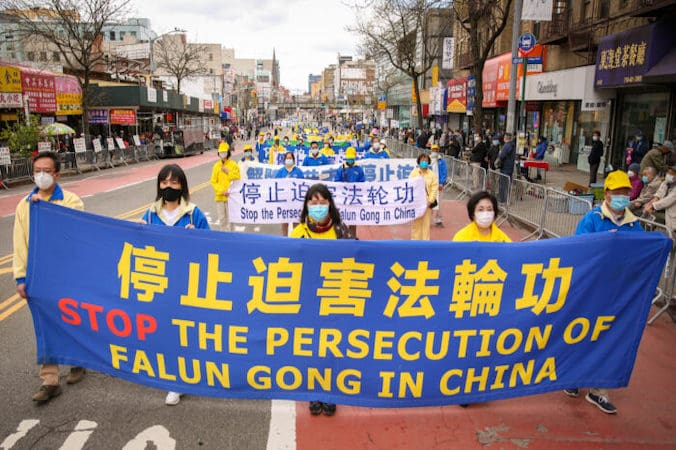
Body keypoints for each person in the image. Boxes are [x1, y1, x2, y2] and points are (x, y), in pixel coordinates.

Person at [567, 170, 643, 414]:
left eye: (625, 192)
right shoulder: (592, 219)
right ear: (607, 194)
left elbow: (641, 255)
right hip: (590, 290)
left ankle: (598, 390)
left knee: (608, 338)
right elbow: (579, 249)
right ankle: (573, 376)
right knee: (581, 332)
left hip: (617, 293)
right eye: (617, 192)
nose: (622, 196)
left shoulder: (634, 224)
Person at [13, 151, 86, 404]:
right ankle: (50, 379)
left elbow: (73, 233)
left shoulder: (71, 201)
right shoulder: (24, 206)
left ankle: (78, 361)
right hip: (39, 276)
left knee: (71, 318)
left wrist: (44, 211)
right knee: (45, 325)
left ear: (57, 174)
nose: (41, 175)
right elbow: (20, 244)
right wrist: (20, 278)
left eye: (46, 171)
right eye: (37, 171)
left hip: (67, 274)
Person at [139, 164, 210, 405]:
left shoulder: (193, 214)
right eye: (164, 182)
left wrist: (197, 236)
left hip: (186, 281)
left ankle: (179, 381)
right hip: (159, 282)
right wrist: (141, 233)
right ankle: (169, 373)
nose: (168, 186)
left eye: (174, 182)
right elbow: (138, 246)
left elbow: (212, 245)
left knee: (184, 330)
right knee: (164, 329)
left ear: (182, 186)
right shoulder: (150, 214)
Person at [290, 183, 354, 417]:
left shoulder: (340, 230)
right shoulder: (298, 233)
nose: (318, 206)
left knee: (331, 347)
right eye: (313, 202)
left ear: (330, 204)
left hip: (334, 298)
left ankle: (329, 392)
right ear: (307, 206)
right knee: (311, 348)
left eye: (322, 202)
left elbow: (356, 259)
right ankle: (314, 392)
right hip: (307, 301)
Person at [334, 146, 365, 237]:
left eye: (351, 158)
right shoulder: (341, 169)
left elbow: (362, 182)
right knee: (342, 219)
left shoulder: (359, 169)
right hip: (343, 198)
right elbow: (336, 181)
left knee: (353, 219)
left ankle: (353, 237)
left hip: (354, 198)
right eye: (349, 158)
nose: (350, 160)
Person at [210, 142, 241, 231]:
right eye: (221, 152)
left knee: (231, 219)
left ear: (228, 152)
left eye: (224, 152)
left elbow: (238, 177)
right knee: (222, 219)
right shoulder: (216, 166)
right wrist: (221, 191)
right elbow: (213, 181)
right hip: (220, 197)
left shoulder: (233, 165)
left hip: (230, 197)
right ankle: (223, 235)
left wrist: (228, 172)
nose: (222, 154)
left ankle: (231, 235)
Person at [409, 153, 439, 240]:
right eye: (422, 160)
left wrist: (430, 201)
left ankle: (425, 243)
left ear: (428, 162)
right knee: (416, 225)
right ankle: (415, 242)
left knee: (426, 225)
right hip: (416, 204)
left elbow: (434, 188)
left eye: (426, 161)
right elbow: (410, 186)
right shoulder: (414, 173)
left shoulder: (432, 175)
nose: (424, 162)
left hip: (427, 204)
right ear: (419, 161)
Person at [644, 165, 676, 231]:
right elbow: (660, 192)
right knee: (646, 213)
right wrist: (655, 198)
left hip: (671, 213)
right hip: (661, 209)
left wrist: (652, 206)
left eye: (672, 174)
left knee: (651, 216)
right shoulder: (666, 182)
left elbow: (667, 201)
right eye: (668, 173)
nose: (669, 175)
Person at [429, 145, 447, 226]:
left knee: (438, 202)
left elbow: (444, 172)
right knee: (429, 202)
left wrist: (442, 183)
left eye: (436, 150)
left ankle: (438, 219)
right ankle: (427, 219)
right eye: (433, 150)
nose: (434, 151)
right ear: (431, 150)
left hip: (438, 184)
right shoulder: (427, 160)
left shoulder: (441, 161)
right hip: (429, 184)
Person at [496, 132, 516, 204]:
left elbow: (502, 155)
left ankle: (502, 200)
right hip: (509, 167)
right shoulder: (512, 145)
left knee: (503, 184)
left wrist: (499, 156)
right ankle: (507, 199)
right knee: (508, 184)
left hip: (505, 167)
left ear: (506, 138)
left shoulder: (507, 145)